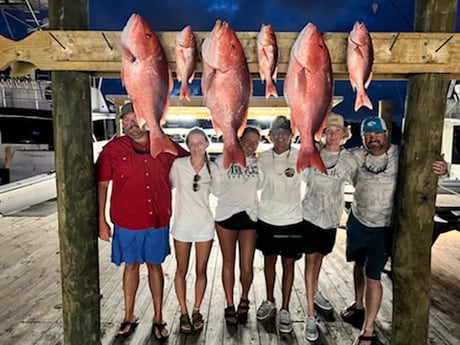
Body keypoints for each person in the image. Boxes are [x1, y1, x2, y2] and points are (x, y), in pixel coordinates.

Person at [341, 116, 448, 345]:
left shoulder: (401, 155)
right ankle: (358, 304)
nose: (373, 139)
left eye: (377, 134)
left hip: (385, 226)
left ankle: (368, 330)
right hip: (358, 220)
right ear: (362, 138)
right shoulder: (357, 155)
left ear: (386, 133)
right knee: (358, 264)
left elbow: (428, 167)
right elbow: (335, 163)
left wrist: (442, 169)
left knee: (373, 275)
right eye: (368, 135)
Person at [96, 102, 188, 340]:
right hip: (126, 221)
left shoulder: (164, 144)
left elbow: (191, 164)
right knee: (131, 266)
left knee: (155, 266)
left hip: (157, 219)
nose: (130, 124)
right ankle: (129, 315)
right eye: (125, 120)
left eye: (134, 118)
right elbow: (103, 184)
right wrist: (101, 220)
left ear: (147, 119)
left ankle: (158, 317)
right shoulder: (112, 150)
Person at [301, 113, 358, 342]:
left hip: (331, 218)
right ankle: (310, 314)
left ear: (344, 134)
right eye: (328, 131)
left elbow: (362, 181)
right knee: (310, 261)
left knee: (320, 259)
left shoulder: (350, 160)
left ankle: (314, 293)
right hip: (310, 216)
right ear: (323, 134)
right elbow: (297, 176)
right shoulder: (312, 155)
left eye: (337, 131)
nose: (332, 134)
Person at [256, 115, 304, 333]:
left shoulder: (301, 156)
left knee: (289, 264)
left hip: (293, 221)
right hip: (267, 219)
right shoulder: (263, 158)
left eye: (285, 133)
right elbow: (252, 183)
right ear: (271, 135)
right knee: (269, 262)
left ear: (291, 135)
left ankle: (285, 308)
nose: (281, 136)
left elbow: (315, 179)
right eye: (277, 133)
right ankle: (270, 300)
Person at [169, 127, 219, 333]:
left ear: (207, 143)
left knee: (201, 271)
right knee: (181, 270)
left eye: (200, 143)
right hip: (182, 224)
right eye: (192, 143)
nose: (196, 147)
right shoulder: (178, 165)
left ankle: (197, 309)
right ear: (187, 146)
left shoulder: (213, 168)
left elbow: (220, 192)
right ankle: (183, 312)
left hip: (204, 225)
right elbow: (166, 186)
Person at [214, 126, 261, 325]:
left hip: (250, 217)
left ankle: (244, 297)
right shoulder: (222, 160)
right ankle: (229, 303)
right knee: (228, 263)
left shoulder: (259, 164)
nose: (251, 144)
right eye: (248, 140)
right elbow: (215, 190)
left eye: (255, 141)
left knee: (246, 265)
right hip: (226, 216)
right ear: (239, 140)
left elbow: (263, 185)